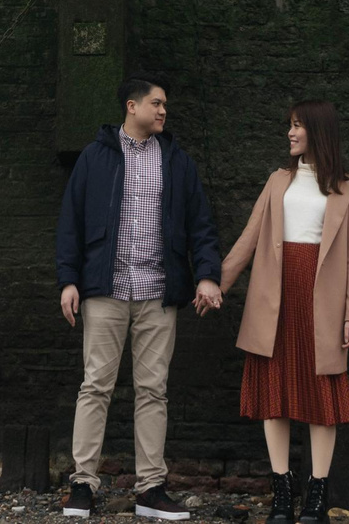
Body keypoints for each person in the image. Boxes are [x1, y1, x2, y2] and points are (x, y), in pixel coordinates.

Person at [55, 76, 225, 521]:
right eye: (156, 102)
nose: (164, 110)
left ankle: (151, 489)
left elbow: (201, 226)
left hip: (158, 293)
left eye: (165, 103)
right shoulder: (95, 158)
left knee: (154, 391)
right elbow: (70, 221)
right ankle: (82, 485)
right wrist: (68, 281)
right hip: (104, 290)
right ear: (131, 107)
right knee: (95, 386)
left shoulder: (178, 162)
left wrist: (207, 276)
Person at [219, 100, 349, 524]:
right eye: (290, 126)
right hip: (275, 296)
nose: (290, 133)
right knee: (275, 393)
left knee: (322, 396)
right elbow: (249, 237)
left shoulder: (348, 187)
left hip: (323, 300)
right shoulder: (277, 181)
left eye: (298, 126)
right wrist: (217, 284)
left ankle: (315, 498)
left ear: (317, 131)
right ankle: (282, 495)